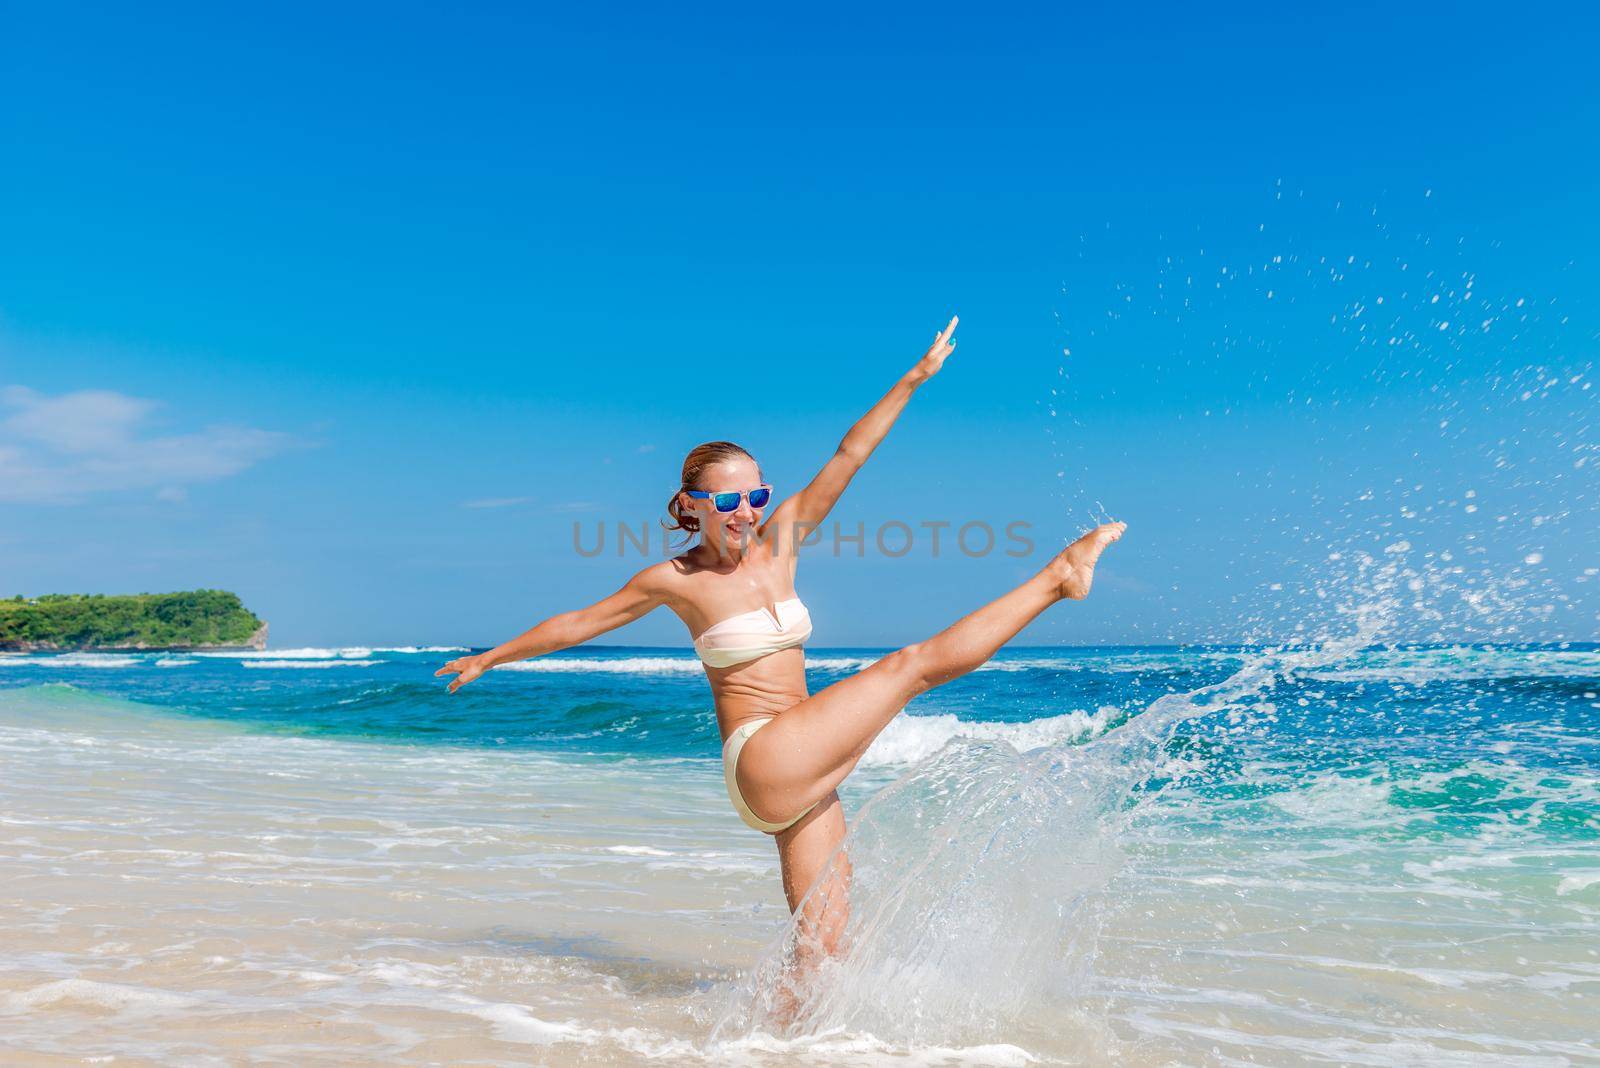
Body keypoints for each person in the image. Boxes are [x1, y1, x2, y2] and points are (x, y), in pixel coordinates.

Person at [436, 316, 1125, 984]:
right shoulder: (676, 582)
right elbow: (580, 623)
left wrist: (916, 377)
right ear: (691, 506)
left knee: (824, 959)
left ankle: (785, 1046)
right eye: (729, 500)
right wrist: (490, 657)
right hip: (763, 758)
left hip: (801, 767)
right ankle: (1058, 579)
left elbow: (849, 455)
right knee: (907, 667)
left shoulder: (780, 546)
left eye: (757, 495)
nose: (747, 511)